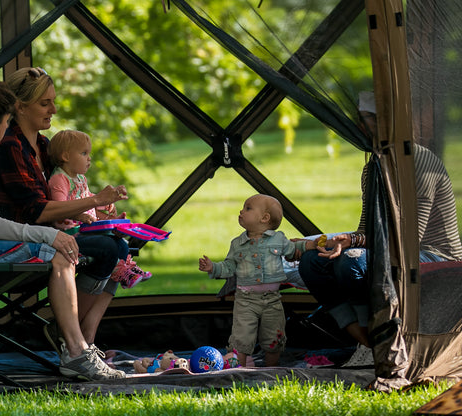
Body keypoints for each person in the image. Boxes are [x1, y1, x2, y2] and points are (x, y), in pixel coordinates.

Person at [0, 78, 125, 381]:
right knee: (59, 252)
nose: (8, 126)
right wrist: (50, 234)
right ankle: (77, 352)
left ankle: (76, 346)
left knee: (72, 249)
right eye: (6, 120)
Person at [298, 91, 462, 366]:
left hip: (432, 255)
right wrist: (343, 240)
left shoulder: (419, 162)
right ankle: (362, 339)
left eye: (370, 121)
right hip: (390, 248)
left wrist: (354, 243)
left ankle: (378, 337)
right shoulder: (373, 166)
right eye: (360, 121)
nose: (363, 128)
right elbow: (367, 229)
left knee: (350, 264)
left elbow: (410, 238)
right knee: (312, 262)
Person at [0, 67, 129, 357]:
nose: (54, 109)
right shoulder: (10, 146)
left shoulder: (44, 145)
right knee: (105, 248)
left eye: (53, 101)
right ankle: (70, 334)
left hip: (53, 232)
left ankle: (82, 334)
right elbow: (36, 212)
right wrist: (92, 203)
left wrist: (101, 207)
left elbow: (68, 195)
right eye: (45, 103)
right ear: (19, 106)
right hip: (22, 236)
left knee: (122, 244)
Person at [198, 194, 315, 367]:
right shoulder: (237, 243)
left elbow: (293, 250)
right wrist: (213, 267)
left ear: (264, 218)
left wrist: (310, 245)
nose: (241, 211)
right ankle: (240, 371)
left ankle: (270, 370)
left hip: (272, 299)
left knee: (274, 337)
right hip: (245, 300)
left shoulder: (278, 239)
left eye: (248, 208)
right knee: (241, 338)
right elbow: (229, 266)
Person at [48, 129, 152, 289]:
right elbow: (59, 208)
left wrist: (105, 204)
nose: (89, 158)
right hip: (70, 237)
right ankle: (120, 271)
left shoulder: (80, 178)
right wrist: (80, 215)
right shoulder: (59, 180)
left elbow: (87, 196)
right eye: (83, 153)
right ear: (66, 156)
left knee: (122, 244)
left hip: (86, 231)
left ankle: (127, 269)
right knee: (106, 245)